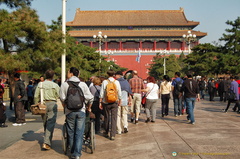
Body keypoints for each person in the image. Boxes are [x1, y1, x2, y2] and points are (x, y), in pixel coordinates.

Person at [60, 67, 93, 159]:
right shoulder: (83, 84)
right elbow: (90, 98)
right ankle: (77, 154)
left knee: (70, 132)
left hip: (69, 111)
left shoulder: (64, 85)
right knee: (79, 132)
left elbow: (62, 98)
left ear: (71, 74)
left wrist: (65, 108)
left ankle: (72, 150)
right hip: (81, 111)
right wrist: (89, 108)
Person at [34, 70, 60, 150]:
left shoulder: (40, 84)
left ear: (45, 75)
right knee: (51, 123)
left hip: (43, 104)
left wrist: (36, 104)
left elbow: (35, 96)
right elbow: (59, 95)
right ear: (53, 76)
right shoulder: (55, 85)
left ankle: (47, 139)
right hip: (52, 104)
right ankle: (46, 142)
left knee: (45, 122)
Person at [99, 70, 121, 140]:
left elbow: (101, 93)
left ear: (107, 74)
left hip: (106, 102)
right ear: (114, 74)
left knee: (107, 117)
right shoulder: (116, 82)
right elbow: (119, 92)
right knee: (114, 118)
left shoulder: (105, 82)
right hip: (114, 102)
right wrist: (119, 100)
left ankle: (106, 131)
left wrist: (100, 102)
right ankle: (112, 135)